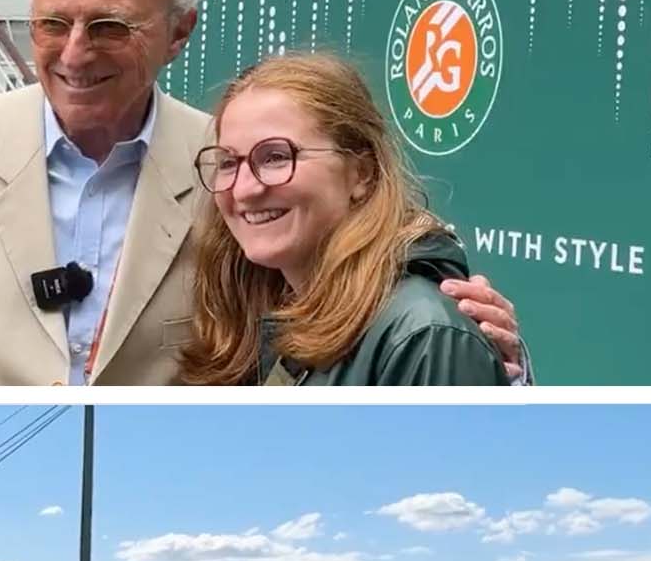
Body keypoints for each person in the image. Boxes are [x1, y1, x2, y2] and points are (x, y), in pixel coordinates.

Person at [0, 0, 523, 386]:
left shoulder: (239, 171)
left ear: (180, 31)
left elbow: (372, 281)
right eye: (51, 23)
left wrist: (499, 364)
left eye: (109, 27)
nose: (72, 53)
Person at [181, 53, 511, 385]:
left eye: (276, 157)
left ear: (361, 173)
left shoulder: (421, 335)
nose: (244, 190)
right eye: (227, 163)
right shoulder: (251, 308)